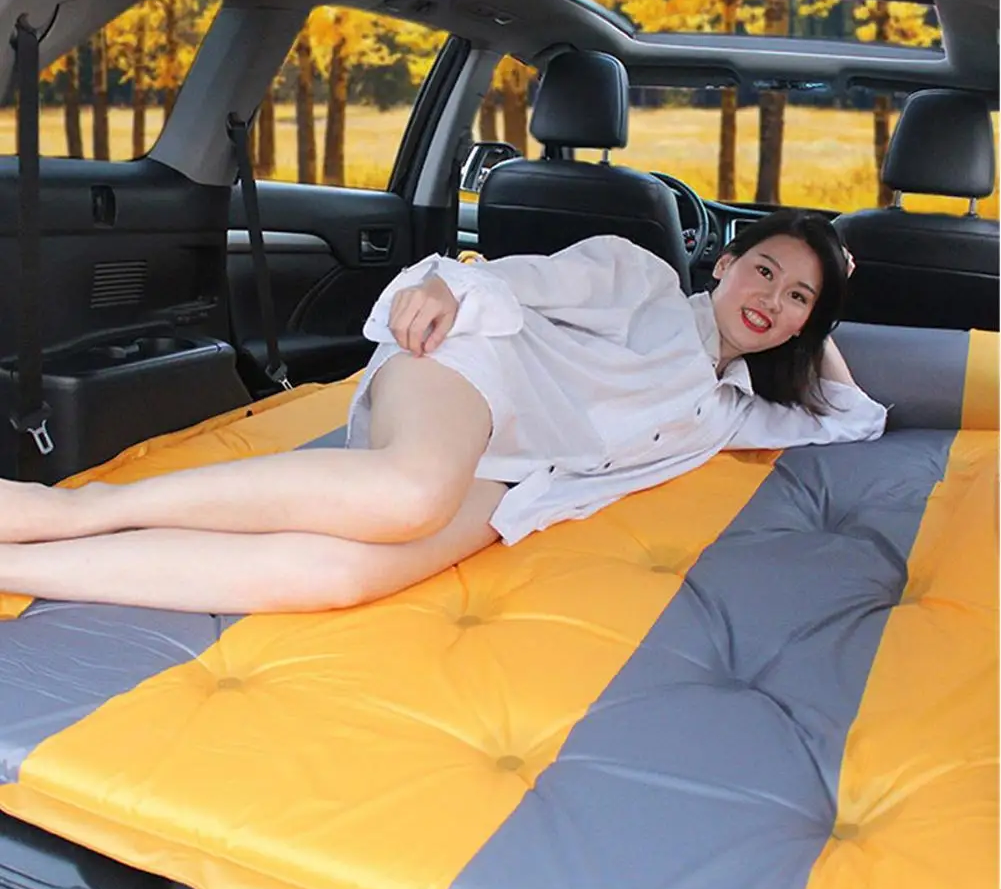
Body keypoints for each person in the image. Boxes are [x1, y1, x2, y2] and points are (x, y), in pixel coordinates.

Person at [0, 209, 885, 615]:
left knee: (341, 578)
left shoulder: (734, 409)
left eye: (797, 297)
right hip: (475, 367)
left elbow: (852, 413)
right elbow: (527, 277)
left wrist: (826, 287)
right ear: (722, 263)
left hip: (520, 476)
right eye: (763, 269)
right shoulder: (642, 276)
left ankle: (23, 566)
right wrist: (447, 287)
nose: (770, 298)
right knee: (408, 494)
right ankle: (74, 510)